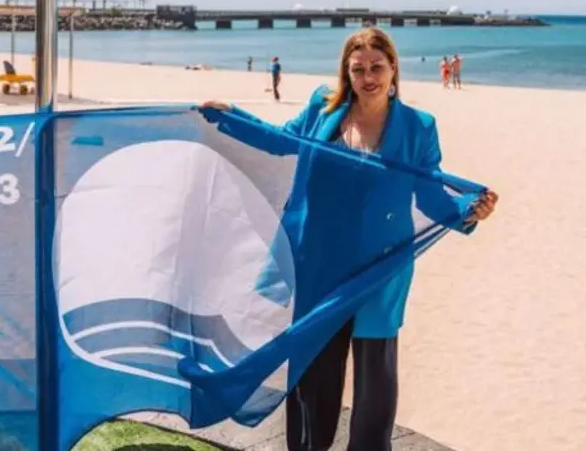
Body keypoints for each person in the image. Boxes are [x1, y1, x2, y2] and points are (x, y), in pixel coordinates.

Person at [202, 27, 498, 451]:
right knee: (314, 376)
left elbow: (430, 195)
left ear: (393, 68)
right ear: (347, 72)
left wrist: (467, 214)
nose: (368, 77)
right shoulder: (324, 108)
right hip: (319, 262)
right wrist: (231, 116)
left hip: (380, 269)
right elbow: (280, 141)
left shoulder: (418, 127)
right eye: (357, 69)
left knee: (375, 382)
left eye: (377, 67)